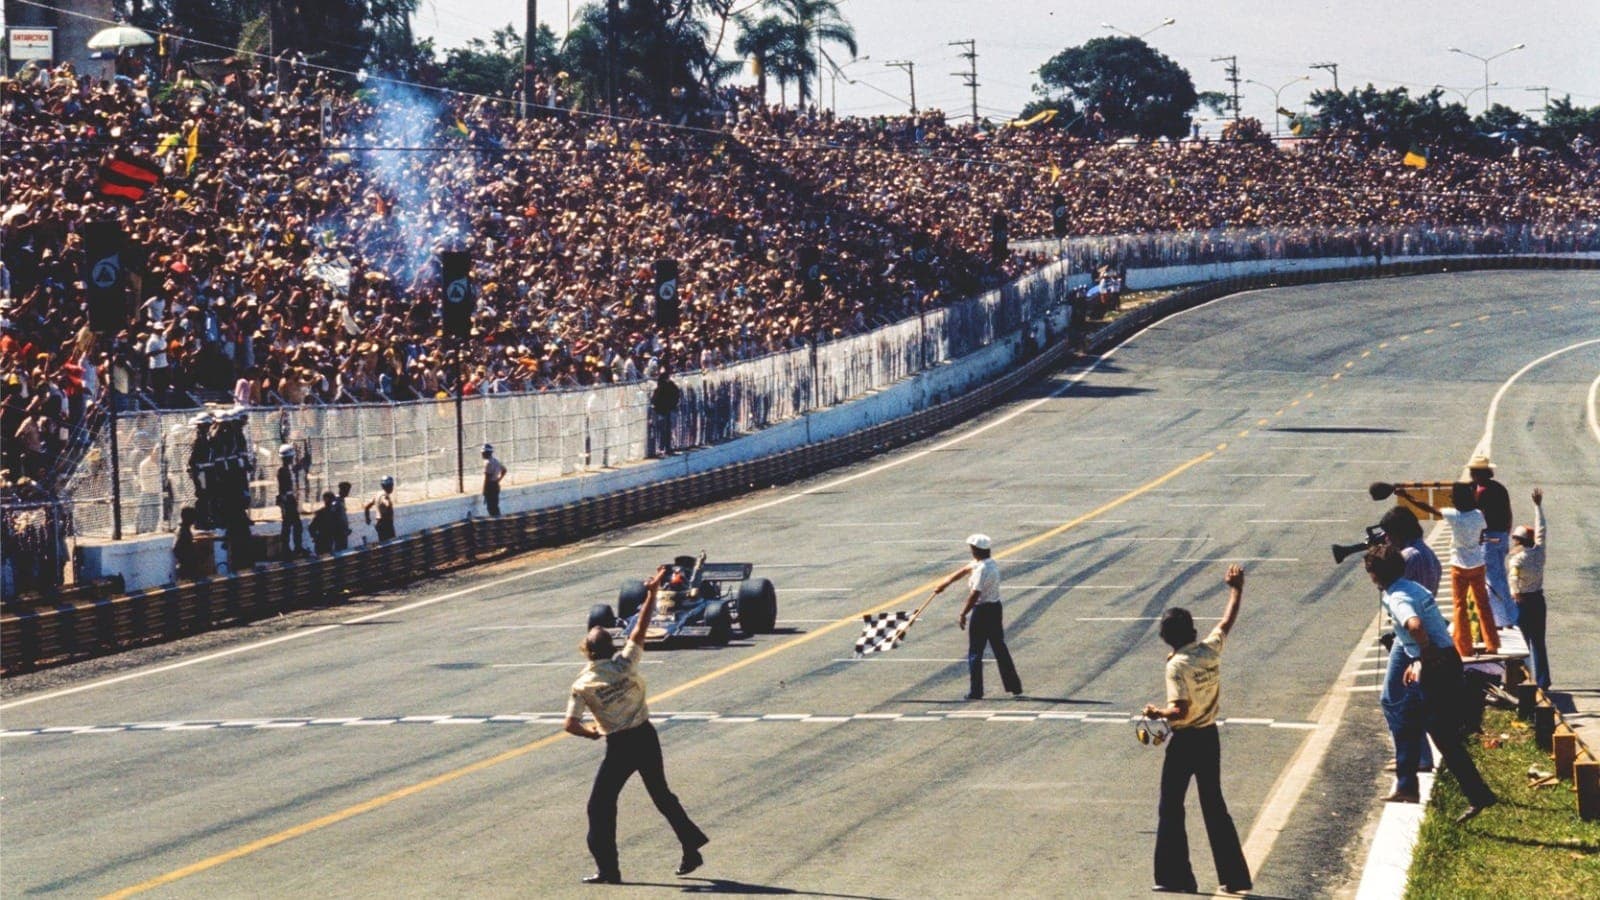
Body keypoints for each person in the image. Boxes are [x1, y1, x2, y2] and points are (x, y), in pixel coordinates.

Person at [565, 565, 709, 885]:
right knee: (661, 795)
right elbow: (640, 629)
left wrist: (591, 733)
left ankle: (609, 869)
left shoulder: (584, 684)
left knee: (600, 806)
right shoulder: (626, 662)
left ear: (587, 651)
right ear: (612, 647)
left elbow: (570, 724)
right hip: (646, 736)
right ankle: (690, 844)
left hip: (619, 746)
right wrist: (652, 592)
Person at [1364, 544, 1499, 824]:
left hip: (1436, 664)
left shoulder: (1396, 596)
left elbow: (1414, 626)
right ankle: (1410, 786)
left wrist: (1423, 657)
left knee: (1436, 733)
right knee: (1416, 719)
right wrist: (1417, 657)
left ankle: (1475, 795)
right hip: (1445, 659)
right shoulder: (1412, 587)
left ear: (1376, 575)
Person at [1142, 565, 1252, 895]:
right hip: (1209, 737)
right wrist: (1236, 589)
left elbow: (1179, 710)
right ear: (1192, 630)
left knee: (1171, 806)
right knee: (1214, 806)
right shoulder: (1208, 651)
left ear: (1166, 638)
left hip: (1186, 740)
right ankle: (1234, 876)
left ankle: (1177, 876)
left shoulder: (1176, 666)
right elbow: (1226, 622)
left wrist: (1155, 712)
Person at [1396, 483, 1499, 657]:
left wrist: (1407, 496)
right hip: (1478, 565)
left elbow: (1427, 507)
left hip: (1459, 566)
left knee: (1460, 606)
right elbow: (1481, 534)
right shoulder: (1478, 515)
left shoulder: (1453, 515)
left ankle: (1465, 647)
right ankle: (1492, 643)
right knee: (1483, 605)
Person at [1376, 506, 1437, 792]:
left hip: (1410, 637)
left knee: (1392, 699)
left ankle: (1412, 758)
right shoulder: (1426, 552)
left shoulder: (1408, 556)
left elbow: (1393, 583)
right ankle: (1418, 756)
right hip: (1422, 631)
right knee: (1411, 699)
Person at [931, 533, 1022, 700]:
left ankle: (976, 690)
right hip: (995, 609)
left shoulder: (982, 570)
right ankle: (1014, 686)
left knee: (975, 651)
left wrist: (964, 613)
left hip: (982, 611)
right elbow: (963, 571)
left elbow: (975, 594)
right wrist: (944, 584)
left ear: (975, 550)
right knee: (999, 648)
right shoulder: (987, 563)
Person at [1468, 455, 1517, 628]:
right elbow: (1509, 513)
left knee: (1491, 580)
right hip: (1502, 536)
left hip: (1488, 538)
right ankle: (1511, 614)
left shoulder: (1481, 492)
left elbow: (1478, 517)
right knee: (1501, 577)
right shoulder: (1500, 488)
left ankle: (1500, 620)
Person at [1509, 488, 1550, 689]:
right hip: (1538, 600)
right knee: (1538, 643)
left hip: (1522, 602)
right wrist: (1537, 506)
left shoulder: (1517, 558)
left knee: (1521, 644)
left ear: (1518, 541)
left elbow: (1514, 578)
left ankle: (1523, 681)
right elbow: (1541, 528)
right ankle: (1543, 682)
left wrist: (1515, 592)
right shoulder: (1539, 552)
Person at [276, 443, 304, 557]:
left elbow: (298, 467)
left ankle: (294, 548)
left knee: (294, 525)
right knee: (289, 525)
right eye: (291, 457)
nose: (292, 458)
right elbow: (283, 489)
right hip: (287, 500)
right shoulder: (283, 470)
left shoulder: (287, 469)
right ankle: (287, 549)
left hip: (289, 499)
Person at [649, 370, 681, 457]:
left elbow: (676, 394)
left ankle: (665, 448)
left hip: (665, 410)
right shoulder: (663, 387)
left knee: (665, 430)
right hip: (663, 411)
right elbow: (655, 399)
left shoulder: (668, 386)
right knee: (663, 431)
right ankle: (663, 448)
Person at [364, 475, 396, 541]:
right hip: (386, 524)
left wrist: (367, 518)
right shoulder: (384, 495)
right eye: (392, 485)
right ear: (389, 486)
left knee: (383, 543)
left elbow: (366, 507)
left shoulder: (378, 494)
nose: (393, 487)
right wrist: (388, 503)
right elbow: (385, 502)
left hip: (379, 523)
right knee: (390, 545)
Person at [308, 491, 340, 555]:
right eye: (330, 499)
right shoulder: (322, 513)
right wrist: (315, 537)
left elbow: (311, 527)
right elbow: (311, 527)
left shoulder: (332, 512)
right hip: (322, 539)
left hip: (328, 539)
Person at [481, 444, 506, 516]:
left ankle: (496, 521)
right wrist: (498, 480)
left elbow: (487, 478)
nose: (482, 454)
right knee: (495, 505)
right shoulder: (496, 461)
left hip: (490, 486)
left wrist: (484, 490)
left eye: (483, 453)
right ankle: (499, 519)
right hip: (496, 485)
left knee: (491, 507)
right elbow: (504, 470)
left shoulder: (488, 463)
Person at [332, 481, 353, 550]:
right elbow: (333, 516)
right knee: (340, 549)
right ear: (342, 490)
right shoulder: (336, 500)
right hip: (339, 531)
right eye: (346, 490)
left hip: (343, 531)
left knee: (343, 548)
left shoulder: (342, 500)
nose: (348, 492)